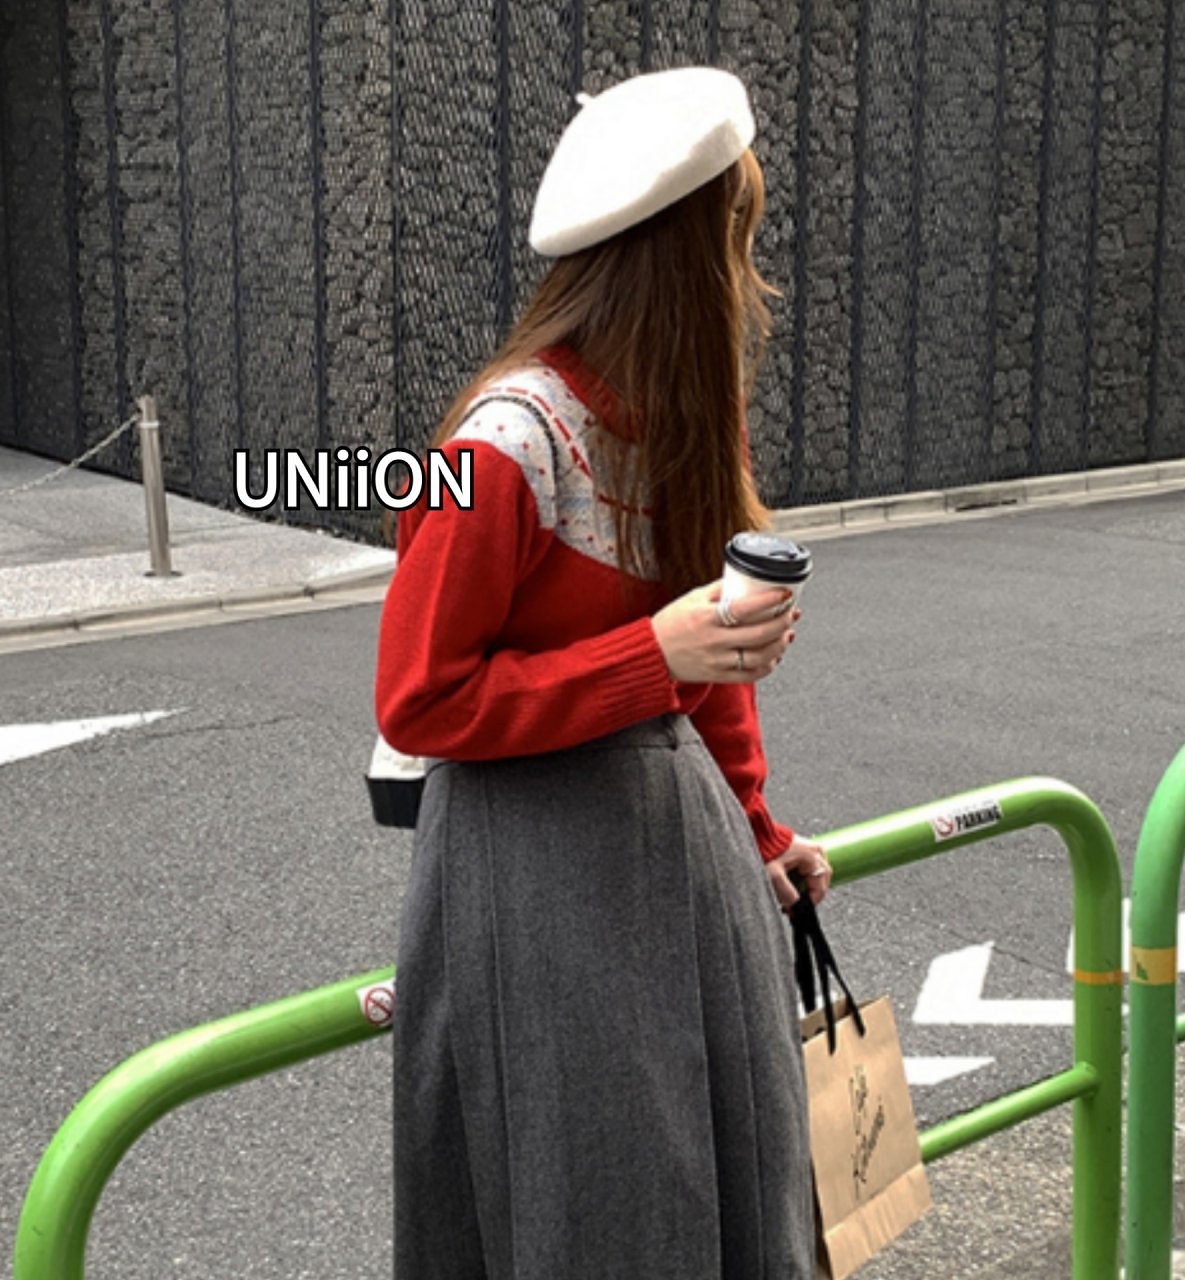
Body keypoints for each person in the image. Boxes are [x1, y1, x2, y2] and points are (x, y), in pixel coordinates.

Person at [375, 66, 831, 1279]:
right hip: (531, 874)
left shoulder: (684, 419)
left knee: (731, 1170)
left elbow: (712, 678)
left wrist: (761, 833)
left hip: (681, 852)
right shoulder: (498, 441)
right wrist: (652, 654)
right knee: (597, 1198)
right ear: (683, 256)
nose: (751, 274)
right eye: (737, 236)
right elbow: (419, 698)